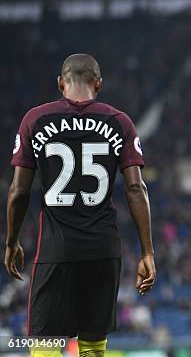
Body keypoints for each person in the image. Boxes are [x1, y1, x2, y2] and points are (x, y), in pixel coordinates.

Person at [5, 54, 156, 357]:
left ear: (61, 83)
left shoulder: (35, 119)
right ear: (98, 84)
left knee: (45, 347)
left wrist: (12, 241)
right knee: (92, 348)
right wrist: (147, 252)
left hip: (56, 251)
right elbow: (136, 187)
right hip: (103, 250)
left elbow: (19, 192)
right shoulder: (118, 121)